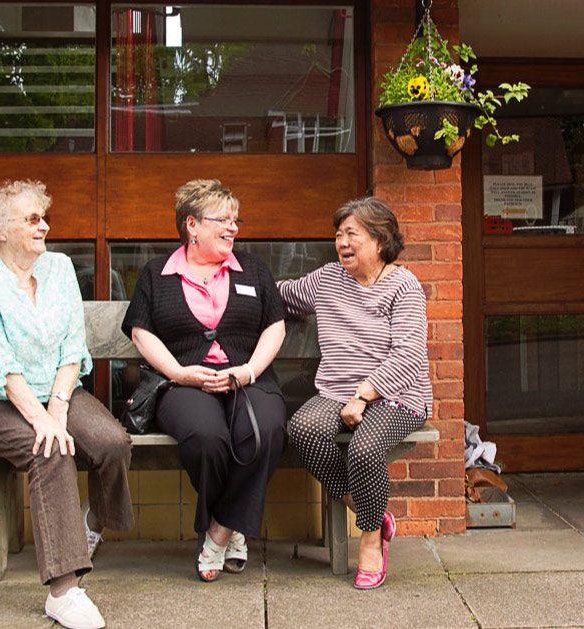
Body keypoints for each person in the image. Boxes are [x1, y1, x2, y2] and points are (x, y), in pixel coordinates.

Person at [0, 180, 134, 629]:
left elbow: (74, 346)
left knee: (112, 443)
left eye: (44, 217)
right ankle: (64, 591)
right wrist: (44, 423)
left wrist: (57, 407)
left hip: (55, 389)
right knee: (49, 450)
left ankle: (88, 525)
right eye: (32, 219)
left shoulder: (59, 267)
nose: (44, 226)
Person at [121, 179, 287, 582]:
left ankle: (220, 530)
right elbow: (141, 331)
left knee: (264, 429)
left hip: (249, 379)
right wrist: (179, 373)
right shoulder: (156, 274)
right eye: (223, 220)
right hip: (183, 384)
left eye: (236, 220)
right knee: (207, 438)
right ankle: (231, 525)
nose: (233, 227)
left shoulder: (253, 269)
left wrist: (248, 371)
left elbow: (275, 326)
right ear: (191, 225)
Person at [277, 197, 432, 590]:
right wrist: (232, 281)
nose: (342, 242)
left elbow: (410, 354)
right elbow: (283, 293)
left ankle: (369, 540)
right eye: (338, 234)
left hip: (397, 395)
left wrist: (364, 395)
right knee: (303, 430)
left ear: (380, 241)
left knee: (365, 448)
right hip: (336, 391)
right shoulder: (327, 279)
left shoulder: (404, 286)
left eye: (352, 234)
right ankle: (371, 510)